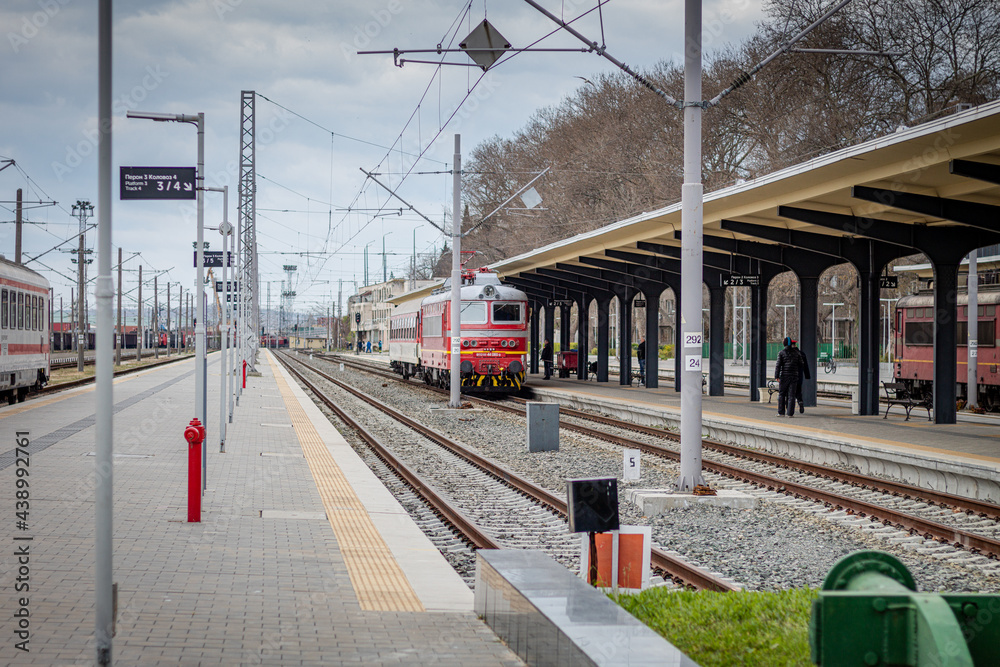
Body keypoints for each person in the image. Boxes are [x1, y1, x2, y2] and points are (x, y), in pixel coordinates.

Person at [774, 336, 803, 417]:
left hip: (784, 376)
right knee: (791, 395)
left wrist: (776, 376)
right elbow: (801, 364)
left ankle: (781, 412)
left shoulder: (781, 353)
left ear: (784, 344)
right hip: (794, 376)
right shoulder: (797, 353)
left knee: (782, 394)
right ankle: (790, 413)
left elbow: (778, 365)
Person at [792, 340, 811, 414]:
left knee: (790, 393)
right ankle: (800, 402)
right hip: (799, 377)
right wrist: (807, 375)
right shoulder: (802, 354)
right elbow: (805, 365)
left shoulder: (790, 353)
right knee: (798, 391)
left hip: (791, 376)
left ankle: (790, 408)